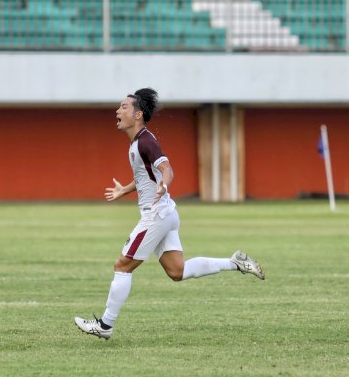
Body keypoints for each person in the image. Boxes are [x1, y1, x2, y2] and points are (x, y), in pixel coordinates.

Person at [74, 88, 264, 340]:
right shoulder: (137, 143)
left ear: (138, 114)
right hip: (166, 214)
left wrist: (165, 183)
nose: (117, 111)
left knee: (122, 265)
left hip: (156, 215)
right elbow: (147, 175)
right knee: (177, 271)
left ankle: (105, 325)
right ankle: (235, 262)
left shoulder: (145, 141)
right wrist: (126, 189)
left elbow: (166, 168)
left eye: (123, 107)